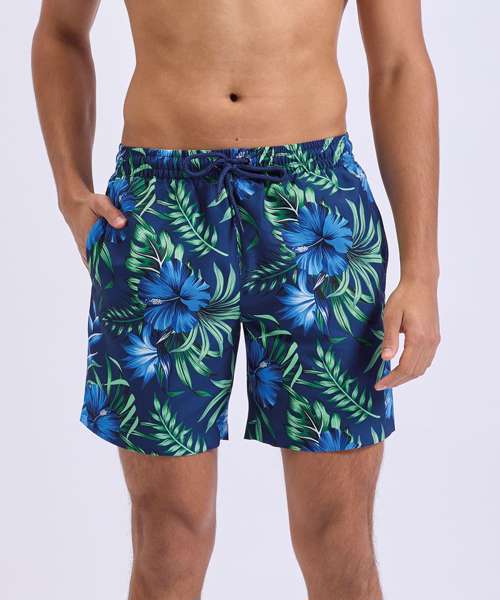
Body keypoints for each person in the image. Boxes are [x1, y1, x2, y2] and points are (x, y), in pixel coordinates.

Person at [32, 1, 440, 598]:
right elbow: (61, 32)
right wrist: (70, 189)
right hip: (160, 211)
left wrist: (422, 271)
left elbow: (400, 63)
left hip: (316, 213)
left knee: (337, 535)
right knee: (168, 538)